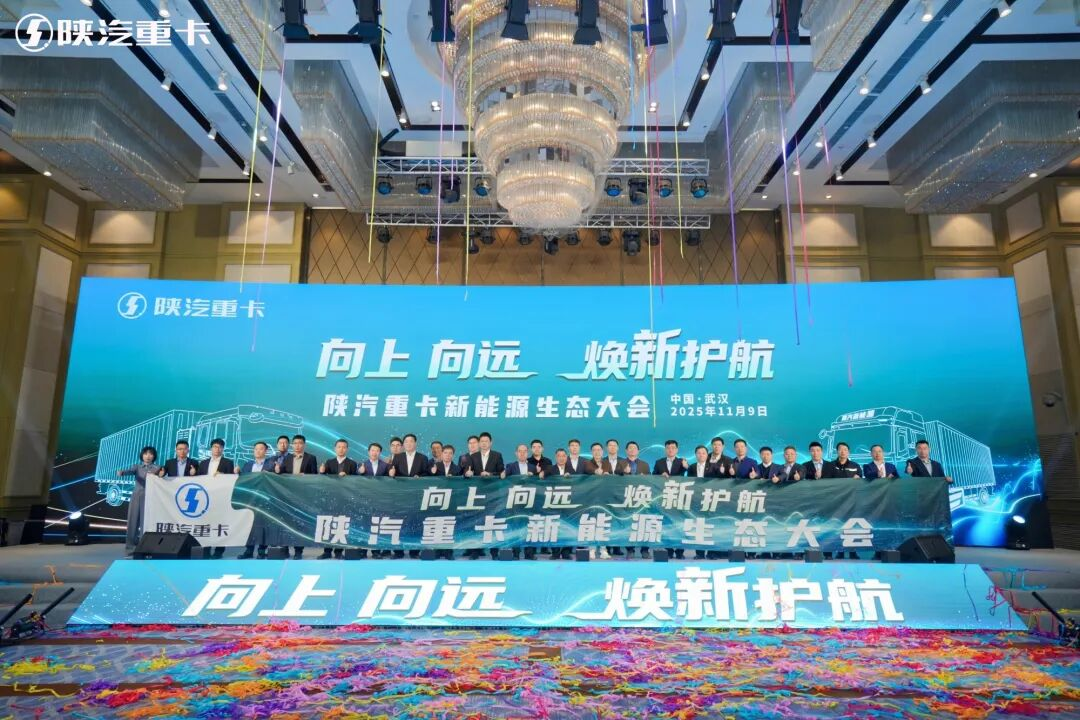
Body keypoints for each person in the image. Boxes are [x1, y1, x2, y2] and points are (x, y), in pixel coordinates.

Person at [318, 439, 358, 560]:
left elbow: (356, 481)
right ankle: (327, 551)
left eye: (344, 447)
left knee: (341, 524)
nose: (341, 449)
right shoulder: (329, 462)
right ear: (335, 448)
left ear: (347, 449)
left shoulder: (352, 463)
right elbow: (324, 480)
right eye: (339, 447)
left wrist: (347, 477)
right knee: (329, 524)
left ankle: (339, 551)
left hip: (345, 498)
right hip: (331, 498)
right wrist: (322, 472)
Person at [279, 435, 318, 558]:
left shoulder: (311, 458)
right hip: (287, 495)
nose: (297, 445)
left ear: (304, 445)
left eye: (300, 443)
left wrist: (305, 476)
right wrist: (277, 470)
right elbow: (281, 475)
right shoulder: (287, 458)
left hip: (302, 495)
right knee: (286, 522)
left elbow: (315, 476)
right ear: (292, 445)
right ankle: (285, 549)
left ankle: (298, 551)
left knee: (300, 523)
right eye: (295, 443)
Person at [197, 438, 236, 558]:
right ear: (211, 448)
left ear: (223, 449)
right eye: (215, 446)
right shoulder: (203, 463)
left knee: (220, 524)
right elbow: (198, 480)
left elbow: (231, 479)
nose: (217, 449)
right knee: (206, 524)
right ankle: (206, 549)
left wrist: (223, 476)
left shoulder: (228, 462)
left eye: (220, 447)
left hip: (221, 497)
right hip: (205, 498)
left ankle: (219, 551)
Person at [117, 445, 159, 554]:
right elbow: (129, 471)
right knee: (133, 522)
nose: (148, 456)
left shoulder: (157, 468)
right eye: (145, 454)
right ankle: (129, 549)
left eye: (150, 454)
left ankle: (144, 548)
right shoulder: (137, 467)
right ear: (142, 455)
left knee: (146, 523)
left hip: (150, 498)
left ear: (154, 456)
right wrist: (122, 472)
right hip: (136, 497)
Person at [238, 442, 273, 558]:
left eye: (261, 449)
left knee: (263, 525)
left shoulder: (271, 465)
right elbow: (243, 480)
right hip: (250, 499)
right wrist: (238, 473)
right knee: (249, 525)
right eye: (256, 449)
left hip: (264, 500)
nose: (258, 451)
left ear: (266, 451)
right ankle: (249, 550)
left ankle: (262, 551)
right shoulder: (248, 464)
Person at [621, 441, 651, 558]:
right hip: (626, 498)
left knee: (644, 522)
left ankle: (645, 550)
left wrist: (645, 479)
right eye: (630, 448)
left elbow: (651, 481)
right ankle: (630, 550)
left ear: (638, 451)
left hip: (641, 498)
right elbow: (615, 478)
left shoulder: (645, 464)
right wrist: (624, 472)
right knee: (628, 524)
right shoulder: (620, 463)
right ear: (626, 451)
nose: (632, 450)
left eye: (634, 448)